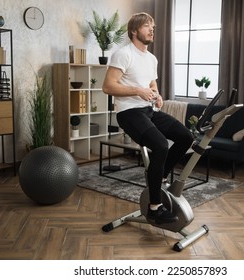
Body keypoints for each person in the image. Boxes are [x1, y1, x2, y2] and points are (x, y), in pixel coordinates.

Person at [102, 12, 194, 225]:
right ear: (134, 30)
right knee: (161, 145)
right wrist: (138, 91)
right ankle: (154, 207)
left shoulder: (152, 58)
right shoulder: (123, 54)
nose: (152, 29)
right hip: (128, 112)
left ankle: (159, 175)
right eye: (146, 26)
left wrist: (157, 95)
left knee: (186, 137)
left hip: (149, 110)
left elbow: (151, 84)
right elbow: (108, 87)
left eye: (153, 26)